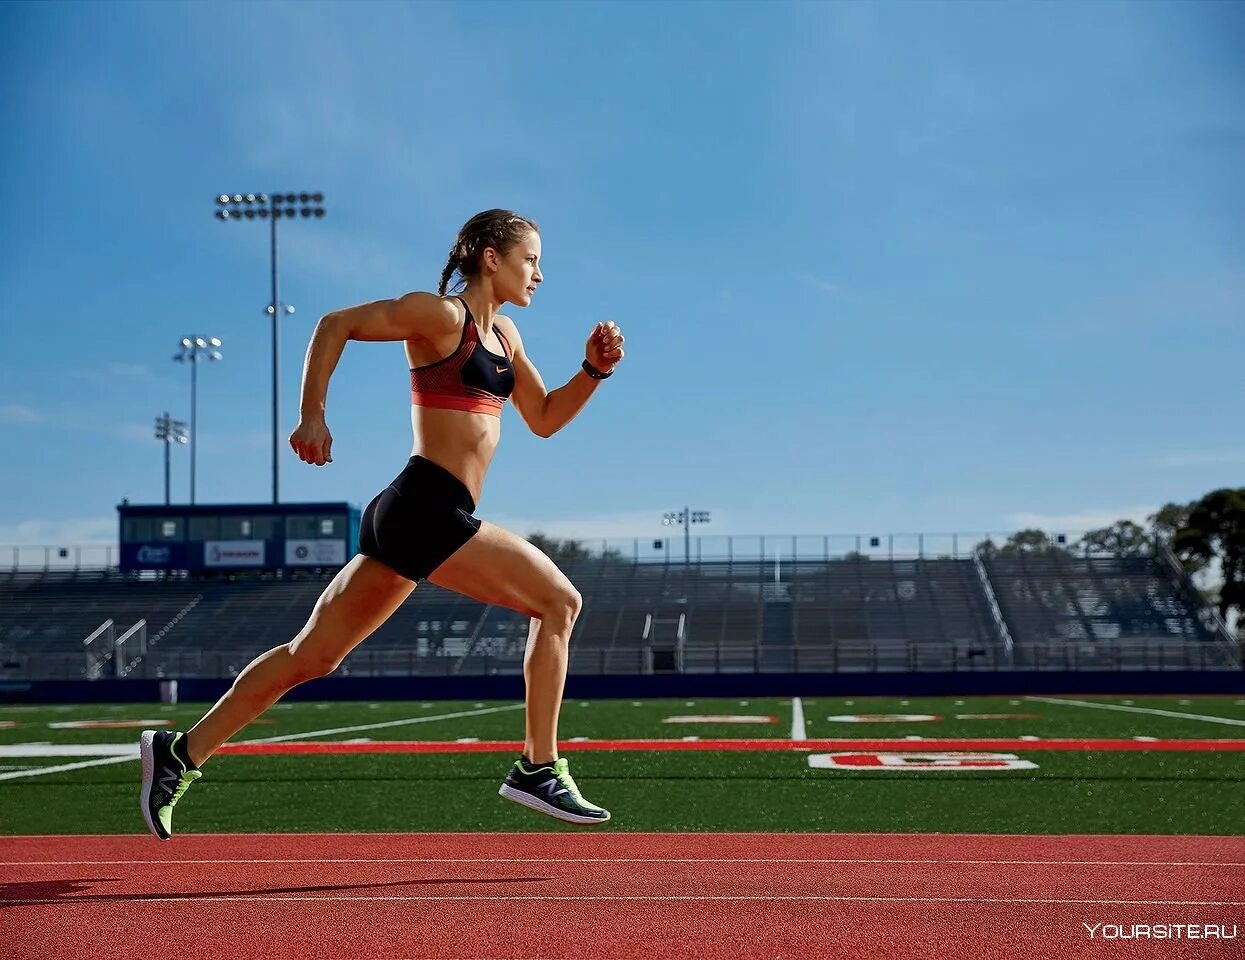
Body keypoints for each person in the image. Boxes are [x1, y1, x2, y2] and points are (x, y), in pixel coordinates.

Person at [139, 209, 625, 839]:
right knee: (559, 602)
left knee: (310, 656)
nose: (539, 273)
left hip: (420, 514)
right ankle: (538, 766)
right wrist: (312, 415)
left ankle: (180, 754)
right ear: (490, 258)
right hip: (426, 507)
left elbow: (546, 416)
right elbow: (334, 324)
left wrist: (593, 371)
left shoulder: (506, 338)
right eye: (530, 259)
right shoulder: (440, 316)